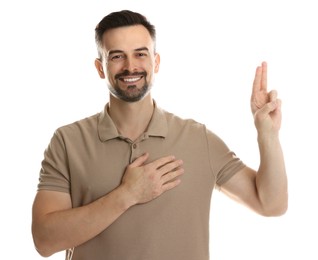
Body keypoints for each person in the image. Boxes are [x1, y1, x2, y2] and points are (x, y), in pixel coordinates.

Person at [31, 10, 288, 260]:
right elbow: (44, 240)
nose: (130, 66)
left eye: (140, 54)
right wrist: (127, 194)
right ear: (100, 67)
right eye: (117, 56)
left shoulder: (198, 139)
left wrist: (267, 135)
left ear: (156, 62)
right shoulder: (68, 142)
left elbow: (271, 204)